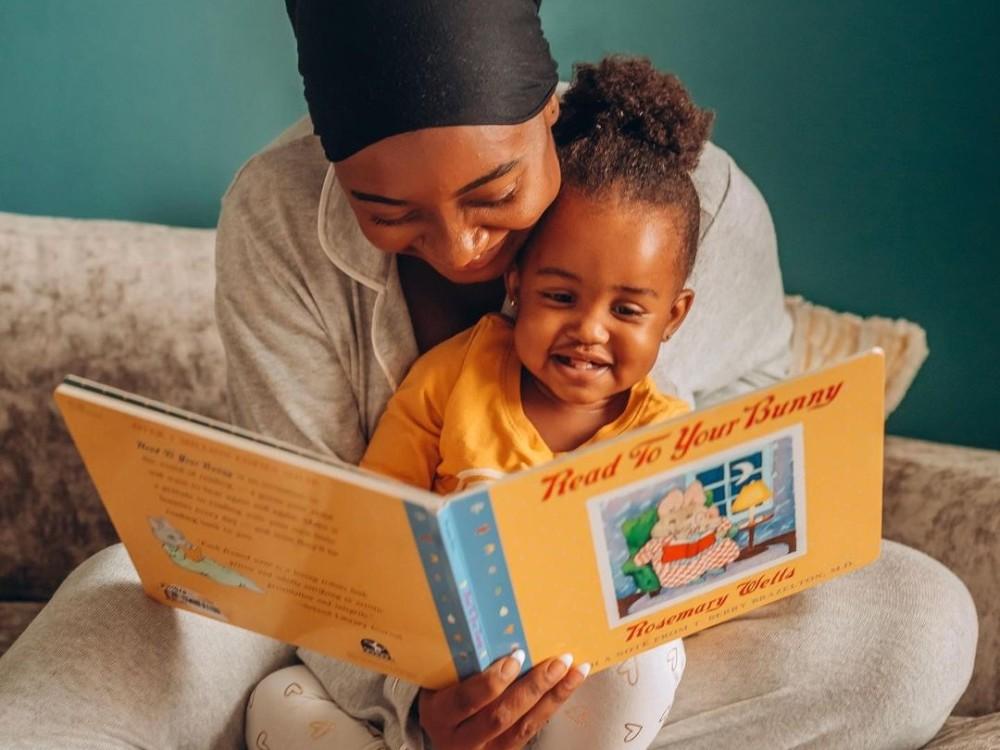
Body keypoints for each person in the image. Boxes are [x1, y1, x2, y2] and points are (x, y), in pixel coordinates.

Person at [213, 2, 976, 749]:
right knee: (137, 592)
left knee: (919, 620)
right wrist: (416, 703)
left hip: (628, 668)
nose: (458, 251)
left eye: (496, 194)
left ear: (549, 111)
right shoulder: (275, 214)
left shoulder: (690, 200)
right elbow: (309, 543)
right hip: (362, 653)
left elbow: (749, 433)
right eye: (387, 213)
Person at [246, 55, 714, 750]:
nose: (589, 330)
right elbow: (367, 532)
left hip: (580, 689)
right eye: (561, 297)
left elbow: (690, 589)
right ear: (517, 283)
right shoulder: (451, 379)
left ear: (671, 320)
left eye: (626, 310)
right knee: (276, 700)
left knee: (650, 663)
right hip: (425, 668)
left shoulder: (672, 436)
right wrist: (416, 690)